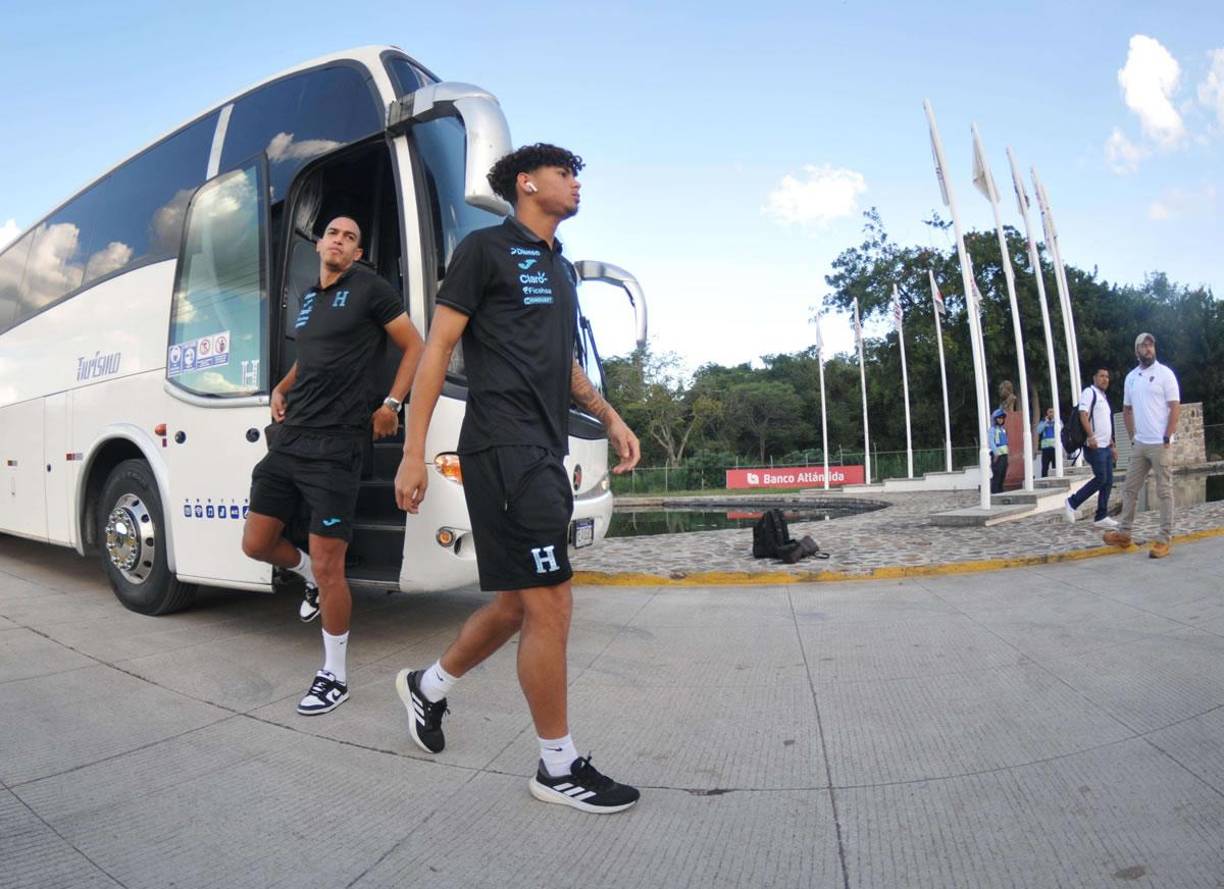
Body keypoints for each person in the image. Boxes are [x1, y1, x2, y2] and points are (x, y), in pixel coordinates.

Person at [393, 144, 642, 814]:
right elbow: (438, 347)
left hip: (543, 449)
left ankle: (428, 686)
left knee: (515, 605)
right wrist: (414, 451)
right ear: (528, 183)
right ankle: (556, 765)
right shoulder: (484, 250)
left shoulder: (558, 269)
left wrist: (610, 416)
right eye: (566, 173)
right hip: (502, 448)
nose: (576, 183)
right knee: (551, 603)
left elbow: (560, 363)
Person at [241, 216, 424, 715]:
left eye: (349, 237)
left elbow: (415, 345)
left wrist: (392, 403)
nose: (338, 241)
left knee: (331, 564)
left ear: (358, 252)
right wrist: (283, 385)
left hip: (338, 445)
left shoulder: (370, 288)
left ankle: (334, 674)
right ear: (319, 244)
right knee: (256, 543)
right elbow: (312, 358)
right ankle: (307, 577)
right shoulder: (308, 299)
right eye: (332, 234)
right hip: (290, 439)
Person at [1104, 332, 1181, 558]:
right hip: (1141, 444)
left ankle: (1164, 539)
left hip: (1160, 444)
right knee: (1130, 489)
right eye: (1143, 346)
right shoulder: (1131, 378)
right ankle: (1124, 533)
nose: (1148, 349)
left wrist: (1167, 436)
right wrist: (1132, 436)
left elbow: (1175, 406)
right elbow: (1127, 409)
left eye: (1151, 345)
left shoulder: (1165, 374)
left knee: (1164, 491)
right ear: (1136, 350)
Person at [1062, 368, 1117, 528]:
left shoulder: (1104, 398)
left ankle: (1101, 516)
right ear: (1094, 378)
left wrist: (1112, 445)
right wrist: (1091, 436)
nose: (1105, 379)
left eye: (1107, 376)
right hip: (1094, 446)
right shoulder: (1089, 392)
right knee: (1101, 478)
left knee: (1108, 481)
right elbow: (1083, 414)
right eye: (1101, 376)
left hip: (1106, 447)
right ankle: (1072, 502)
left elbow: (1106, 425)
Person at [989, 407, 1008, 493]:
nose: (1001, 420)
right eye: (999, 418)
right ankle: (995, 493)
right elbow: (991, 442)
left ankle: (1000, 491)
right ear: (995, 419)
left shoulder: (1003, 429)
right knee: (997, 474)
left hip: (1004, 455)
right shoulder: (992, 429)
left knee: (1003, 474)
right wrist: (996, 453)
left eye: (1002, 418)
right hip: (997, 456)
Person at [1035, 407, 1057, 478]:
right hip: (1045, 448)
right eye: (1049, 412)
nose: (1051, 414)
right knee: (1045, 467)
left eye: (1052, 412)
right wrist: (1046, 422)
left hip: (1055, 448)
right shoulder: (1043, 422)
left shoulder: (1057, 421)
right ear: (1047, 413)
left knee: (1056, 466)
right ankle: (1044, 479)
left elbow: (1061, 428)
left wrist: (1054, 421)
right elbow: (1038, 430)